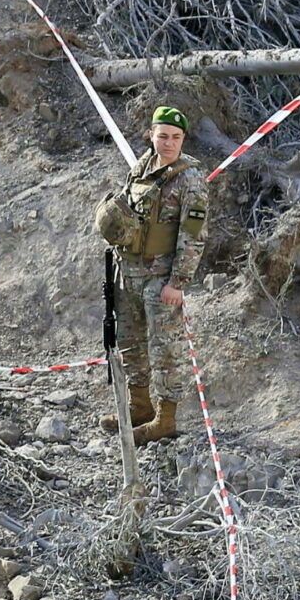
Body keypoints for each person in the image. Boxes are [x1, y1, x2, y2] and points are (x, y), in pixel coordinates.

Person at [96, 107, 210, 445]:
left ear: (183, 139)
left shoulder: (190, 179)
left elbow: (194, 234)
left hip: (160, 277)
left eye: (176, 137)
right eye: (163, 135)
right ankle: (140, 406)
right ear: (151, 135)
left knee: (165, 350)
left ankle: (166, 419)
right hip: (128, 270)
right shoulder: (142, 166)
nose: (169, 142)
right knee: (131, 342)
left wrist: (178, 283)